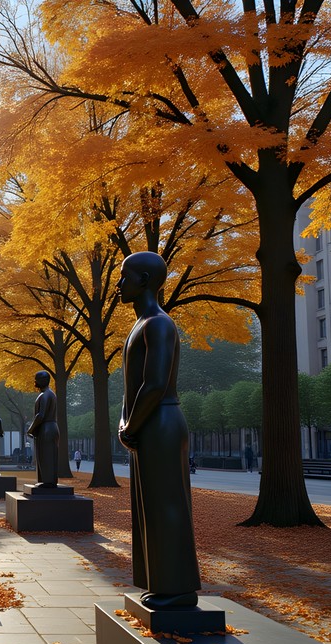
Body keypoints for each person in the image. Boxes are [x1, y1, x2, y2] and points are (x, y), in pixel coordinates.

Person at [117, 251, 202, 610]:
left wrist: (130, 425)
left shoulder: (159, 324)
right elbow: (132, 386)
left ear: (146, 280)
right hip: (147, 422)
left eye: (126, 277)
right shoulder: (142, 324)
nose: (119, 284)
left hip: (161, 421)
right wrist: (126, 422)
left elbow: (154, 384)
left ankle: (179, 588)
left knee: (167, 505)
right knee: (150, 505)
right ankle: (159, 581)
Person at [27, 370, 59, 487]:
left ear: (41, 381)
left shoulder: (45, 395)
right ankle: (48, 480)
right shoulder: (51, 394)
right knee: (49, 455)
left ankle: (47, 482)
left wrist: (30, 429)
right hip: (51, 427)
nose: (34, 382)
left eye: (36, 379)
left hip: (46, 429)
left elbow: (40, 415)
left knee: (45, 456)